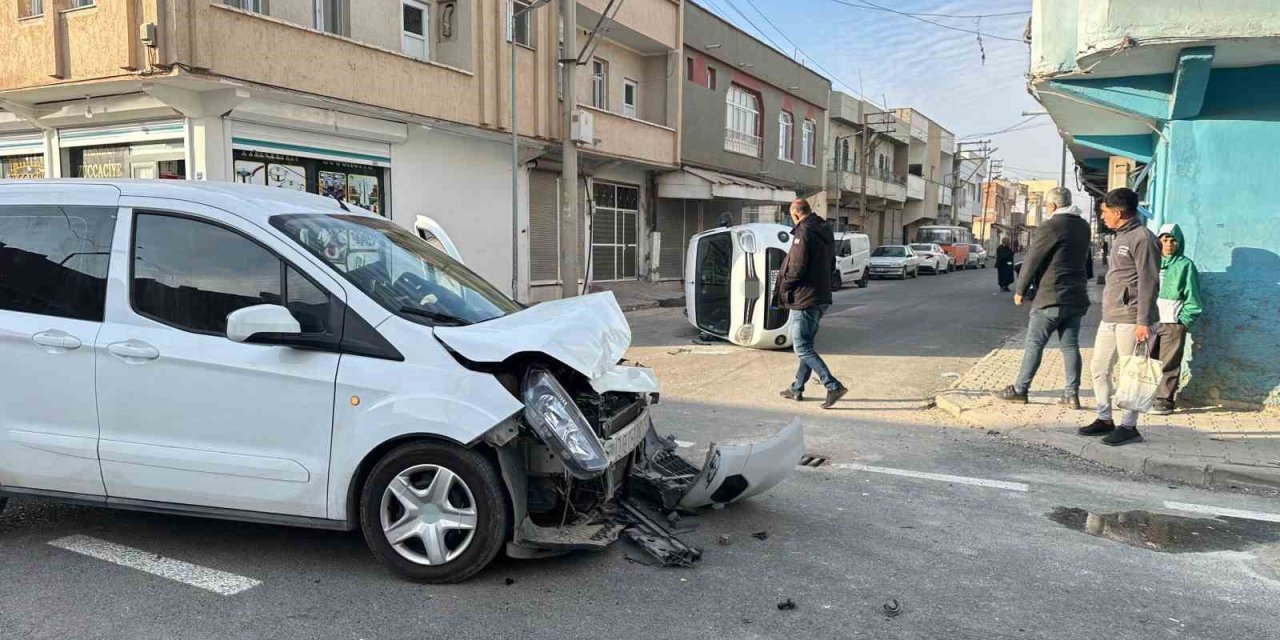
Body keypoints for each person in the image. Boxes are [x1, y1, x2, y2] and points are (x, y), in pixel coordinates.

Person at [994, 187, 1092, 409]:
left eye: (1047, 205)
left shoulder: (1051, 226)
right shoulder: (1083, 226)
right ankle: (1072, 395)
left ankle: (1020, 390)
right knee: (1070, 346)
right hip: (1076, 295)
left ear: (1052, 205)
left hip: (1051, 296)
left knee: (1034, 344)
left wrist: (1020, 290)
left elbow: (1032, 259)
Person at [1079, 188, 1161, 446]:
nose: (1103, 216)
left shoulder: (1143, 238)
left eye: (1105, 212)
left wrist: (1143, 321)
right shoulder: (1120, 236)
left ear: (1118, 212)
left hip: (1132, 318)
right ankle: (1104, 418)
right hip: (1111, 316)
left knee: (1130, 374)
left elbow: (1149, 281)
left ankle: (1129, 426)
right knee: (1099, 368)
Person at [774, 199, 847, 409]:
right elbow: (831, 264)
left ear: (796, 215)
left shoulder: (804, 232)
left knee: (802, 347)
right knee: (806, 345)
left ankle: (833, 385)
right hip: (821, 296)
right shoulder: (824, 231)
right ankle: (797, 388)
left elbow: (796, 267)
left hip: (805, 298)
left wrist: (784, 288)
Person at [1149, 223, 1203, 415]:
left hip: (1173, 322)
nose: (1169, 244)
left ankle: (1165, 399)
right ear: (1158, 241)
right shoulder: (1151, 262)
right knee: (1147, 359)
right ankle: (1146, 395)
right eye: (1165, 240)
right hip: (1149, 320)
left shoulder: (1185, 265)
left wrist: (1183, 321)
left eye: (1174, 240)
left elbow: (1193, 296)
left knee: (1169, 362)